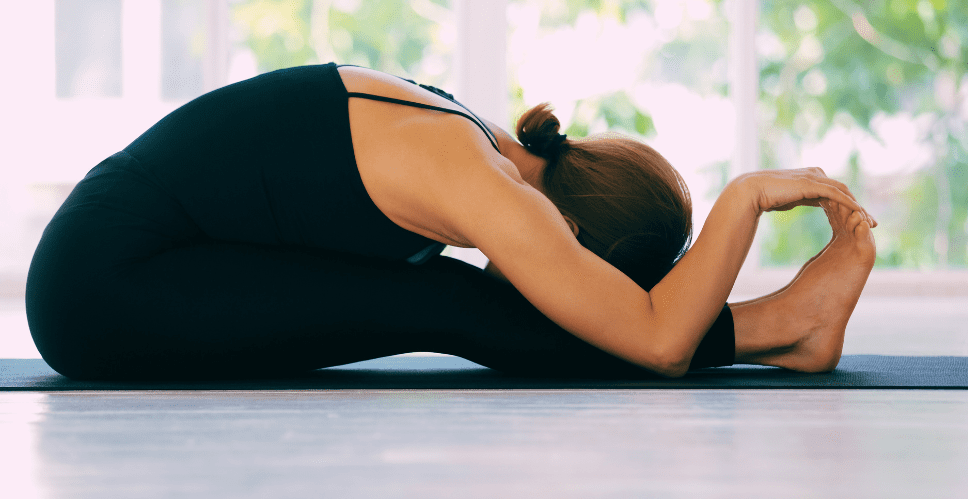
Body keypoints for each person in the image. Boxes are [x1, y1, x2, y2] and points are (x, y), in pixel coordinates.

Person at [25, 62, 876, 381]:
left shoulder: (473, 137)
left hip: (138, 259)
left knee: (436, 294)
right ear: (574, 239)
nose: (558, 291)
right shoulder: (483, 184)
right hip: (102, 292)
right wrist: (741, 199)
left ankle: (782, 330)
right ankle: (779, 327)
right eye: (582, 279)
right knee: (441, 303)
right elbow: (656, 343)